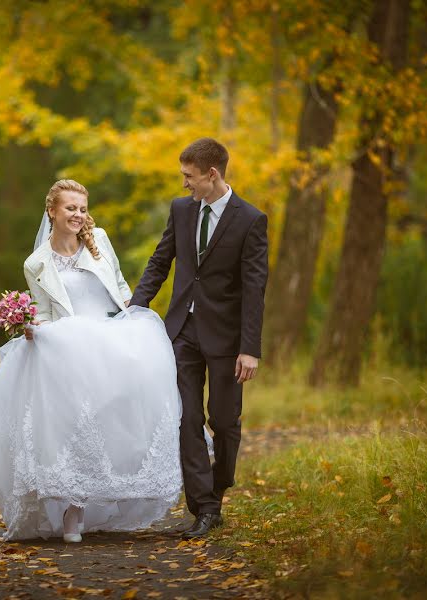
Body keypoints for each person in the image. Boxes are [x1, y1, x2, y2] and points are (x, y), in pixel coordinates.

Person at [0, 179, 182, 543]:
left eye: (82, 208)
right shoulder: (36, 262)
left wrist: (132, 318)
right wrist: (28, 325)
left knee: (113, 417)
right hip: (67, 344)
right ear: (52, 210)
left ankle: (116, 491)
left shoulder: (99, 240)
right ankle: (74, 511)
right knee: (74, 423)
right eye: (70, 208)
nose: (78, 215)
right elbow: (42, 311)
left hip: (108, 335)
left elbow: (119, 285)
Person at [131, 138, 268, 539]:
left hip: (228, 340)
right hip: (182, 334)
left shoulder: (251, 220)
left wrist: (250, 349)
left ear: (212, 174)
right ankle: (204, 508)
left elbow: (254, 288)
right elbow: (161, 261)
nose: (184, 184)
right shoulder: (181, 210)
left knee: (223, 422)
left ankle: (220, 485)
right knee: (186, 419)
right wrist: (135, 309)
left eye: (189, 177)